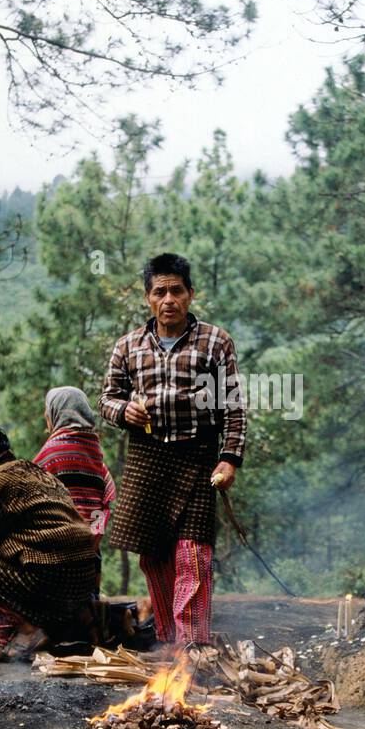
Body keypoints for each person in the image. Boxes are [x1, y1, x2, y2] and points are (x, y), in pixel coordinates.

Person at [99, 252, 246, 650]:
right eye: (160, 291)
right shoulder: (128, 346)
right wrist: (123, 409)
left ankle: (194, 647)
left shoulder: (215, 342)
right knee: (154, 556)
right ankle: (169, 642)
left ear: (190, 294)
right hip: (147, 458)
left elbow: (233, 406)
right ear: (148, 298)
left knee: (193, 555)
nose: (169, 300)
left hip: (198, 457)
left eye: (176, 291)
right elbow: (107, 399)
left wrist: (229, 458)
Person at [0, 425, 99, 660]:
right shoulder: (36, 471)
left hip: (52, 581)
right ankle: (66, 623)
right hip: (84, 579)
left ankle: (28, 628)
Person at [33, 386, 117, 572]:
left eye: (47, 413)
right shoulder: (94, 450)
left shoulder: (51, 452)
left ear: (54, 415)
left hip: (54, 554)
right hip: (89, 550)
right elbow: (107, 495)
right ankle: (92, 594)